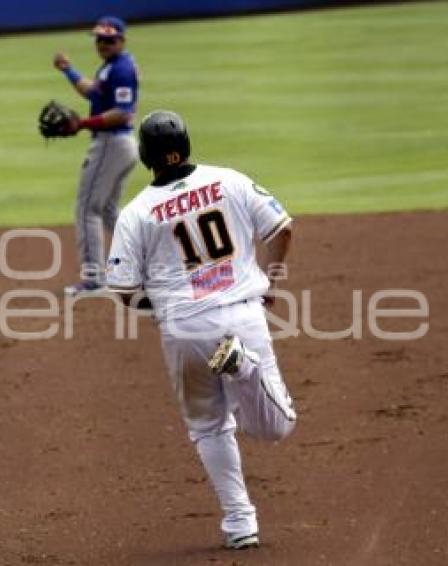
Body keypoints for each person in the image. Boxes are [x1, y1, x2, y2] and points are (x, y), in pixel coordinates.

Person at [106, 110, 297, 549]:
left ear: (145, 156)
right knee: (275, 429)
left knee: (209, 427)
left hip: (184, 328)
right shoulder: (229, 179)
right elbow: (282, 228)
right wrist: (273, 281)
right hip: (243, 314)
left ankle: (240, 522)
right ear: (185, 144)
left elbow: (122, 290)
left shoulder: (135, 213)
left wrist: (164, 306)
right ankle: (244, 369)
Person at [53, 16, 140, 296]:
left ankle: (93, 279)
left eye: (109, 39)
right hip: (118, 146)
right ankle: (148, 261)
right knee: (108, 211)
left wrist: (82, 124)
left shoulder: (122, 69)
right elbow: (92, 92)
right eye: (99, 39)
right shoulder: (110, 68)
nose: (103, 44)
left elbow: (121, 112)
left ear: (121, 41)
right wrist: (68, 71)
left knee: (87, 208)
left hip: (111, 145)